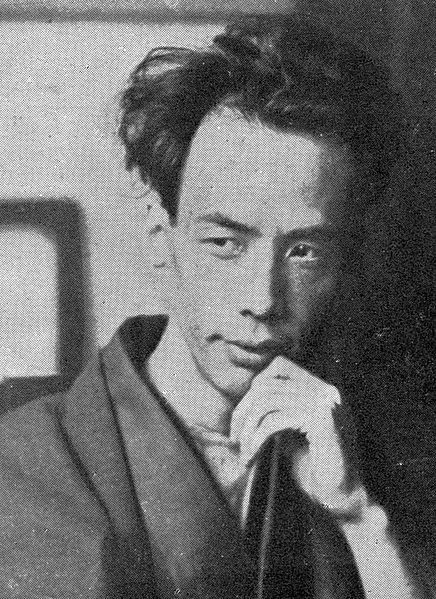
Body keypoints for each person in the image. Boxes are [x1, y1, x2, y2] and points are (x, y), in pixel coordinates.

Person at [0, 14, 434, 599]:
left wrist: (358, 515)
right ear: (161, 234)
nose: (262, 300)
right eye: (224, 243)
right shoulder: (25, 461)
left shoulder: (364, 450)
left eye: (303, 252)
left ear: (345, 262)